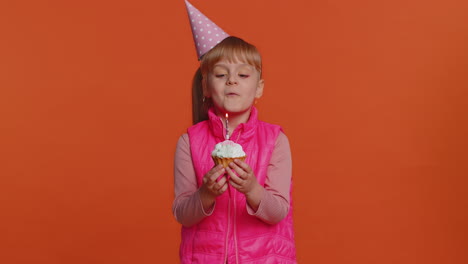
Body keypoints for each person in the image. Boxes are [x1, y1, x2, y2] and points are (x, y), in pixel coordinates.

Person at [173, 1, 296, 263]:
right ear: (206, 87)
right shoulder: (189, 141)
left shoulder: (275, 141)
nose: (232, 81)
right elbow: (182, 213)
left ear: (259, 88)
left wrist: (252, 189)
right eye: (220, 75)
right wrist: (206, 194)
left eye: (243, 74)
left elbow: (278, 212)